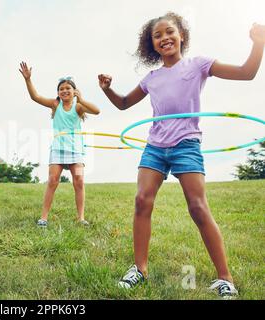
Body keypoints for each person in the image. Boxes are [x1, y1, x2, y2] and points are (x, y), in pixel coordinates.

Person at [98, 12, 265, 297]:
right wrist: (107, 89)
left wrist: (258, 43)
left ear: (181, 35)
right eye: (158, 35)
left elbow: (246, 73)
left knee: (198, 207)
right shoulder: (151, 78)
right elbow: (124, 103)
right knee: (141, 200)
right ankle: (139, 269)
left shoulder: (198, 64)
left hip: (186, 144)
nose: (164, 38)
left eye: (169, 32)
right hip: (155, 146)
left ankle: (225, 277)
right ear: (151, 45)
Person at [19, 62, 100, 227]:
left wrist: (82, 99)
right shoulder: (55, 105)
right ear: (58, 92)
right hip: (58, 150)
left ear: (74, 91)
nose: (64, 90)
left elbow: (97, 111)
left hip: (76, 151)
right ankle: (43, 218)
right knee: (52, 181)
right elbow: (35, 97)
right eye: (61, 88)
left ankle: (81, 218)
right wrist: (28, 79)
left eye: (68, 88)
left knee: (79, 180)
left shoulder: (78, 107)